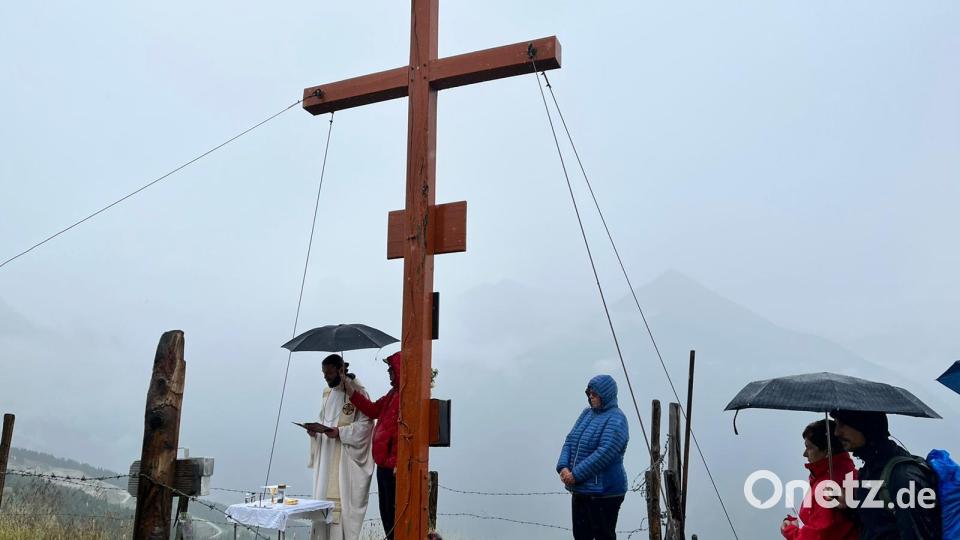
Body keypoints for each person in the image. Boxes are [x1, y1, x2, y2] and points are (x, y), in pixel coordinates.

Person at [831, 409, 941, 539]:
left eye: (842, 424)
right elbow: (878, 525)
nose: (836, 432)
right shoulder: (869, 470)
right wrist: (849, 508)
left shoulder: (903, 476)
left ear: (864, 425)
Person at [307, 354, 374, 540]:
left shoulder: (358, 393)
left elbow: (367, 426)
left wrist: (341, 433)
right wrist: (314, 432)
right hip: (325, 458)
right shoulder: (327, 394)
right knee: (321, 504)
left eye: (329, 372)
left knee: (339, 510)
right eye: (323, 373)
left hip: (344, 462)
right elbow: (324, 419)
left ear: (341, 370)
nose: (325, 377)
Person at [556, 374, 629, 540]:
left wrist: (575, 475)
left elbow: (604, 453)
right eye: (589, 393)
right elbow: (570, 440)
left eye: (594, 394)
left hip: (605, 493)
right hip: (582, 490)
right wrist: (563, 467)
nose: (591, 397)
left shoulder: (617, 418)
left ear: (606, 395)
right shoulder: (586, 414)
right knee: (581, 536)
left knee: (602, 536)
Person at [342, 351, 401, 540]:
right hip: (384, 465)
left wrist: (398, 461)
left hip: (394, 469)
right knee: (386, 513)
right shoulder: (393, 394)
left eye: (391, 370)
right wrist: (351, 391)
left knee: (394, 514)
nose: (389, 373)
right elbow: (373, 409)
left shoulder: (406, 396)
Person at [780, 419, 859, 539]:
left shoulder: (830, 484)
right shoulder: (845, 473)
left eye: (809, 447)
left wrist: (790, 530)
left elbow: (819, 535)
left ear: (827, 451)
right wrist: (797, 522)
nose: (805, 454)